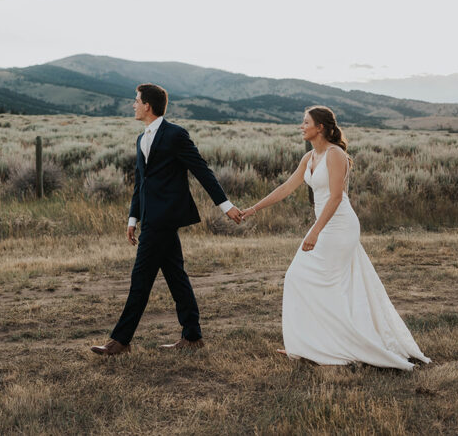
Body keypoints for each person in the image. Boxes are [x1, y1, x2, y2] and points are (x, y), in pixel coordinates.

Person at [241, 106, 429, 369]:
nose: (301, 126)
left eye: (306, 122)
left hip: (339, 226)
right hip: (323, 225)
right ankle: (306, 344)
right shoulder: (309, 158)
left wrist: (315, 232)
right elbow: (286, 187)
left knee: (321, 283)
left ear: (320, 127)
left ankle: (333, 346)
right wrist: (253, 209)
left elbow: (337, 197)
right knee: (299, 278)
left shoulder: (335, 154)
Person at [91, 83, 242, 356]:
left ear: (148, 105)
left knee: (141, 278)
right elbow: (141, 183)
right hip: (149, 218)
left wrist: (225, 205)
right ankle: (193, 335)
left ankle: (120, 341)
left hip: (164, 219)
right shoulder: (141, 139)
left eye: (136, 100)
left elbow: (201, 170)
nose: (133, 104)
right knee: (175, 276)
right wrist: (132, 217)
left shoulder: (175, 135)